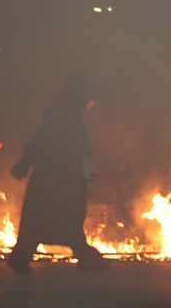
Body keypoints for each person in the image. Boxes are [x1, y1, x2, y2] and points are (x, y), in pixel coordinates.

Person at [7, 72, 106, 272]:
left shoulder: (59, 112)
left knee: (40, 221)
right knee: (63, 220)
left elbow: (40, 140)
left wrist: (25, 163)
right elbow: (78, 150)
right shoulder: (65, 115)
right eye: (84, 92)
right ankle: (84, 257)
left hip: (51, 178)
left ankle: (22, 256)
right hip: (62, 180)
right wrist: (88, 172)